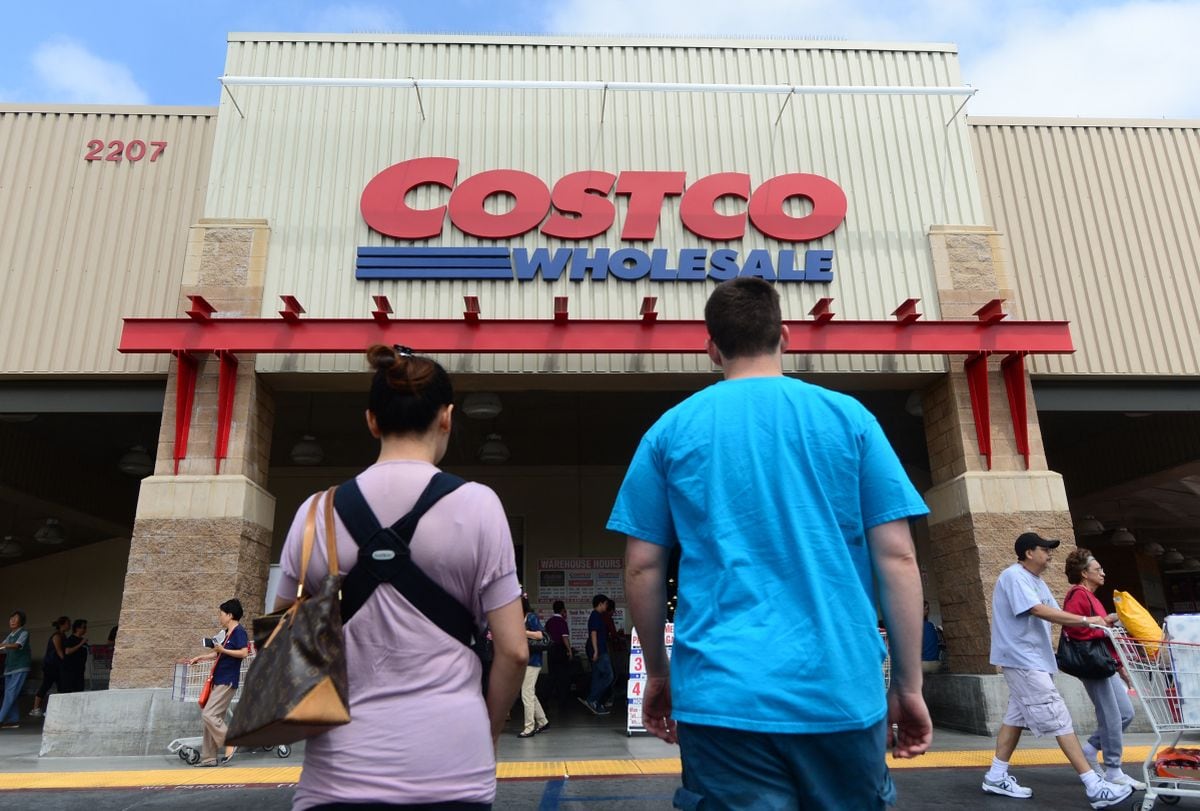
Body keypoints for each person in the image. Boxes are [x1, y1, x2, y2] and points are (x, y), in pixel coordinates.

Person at [608, 277, 933, 809]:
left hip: (720, 693)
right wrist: (907, 684)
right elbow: (898, 557)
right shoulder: (849, 419)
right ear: (785, 334)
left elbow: (642, 567)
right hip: (840, 689)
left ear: (711, 346)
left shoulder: (670, 431)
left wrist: (661, 673)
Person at [274, 345, 526, 810]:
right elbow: (513, 650)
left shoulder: (315, 513)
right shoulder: (479, 505)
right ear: (447, 417)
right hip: (453, 770)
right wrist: (487, 730)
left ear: (371, 421)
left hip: (337, 775)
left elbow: (284, 635)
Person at [982, 532, 1132, 808]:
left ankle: (996, 775)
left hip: (1033, 660)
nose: (1050, 554)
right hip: (1023, 660)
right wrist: (1088, 620)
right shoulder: (1013, 577)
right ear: (1029, 553)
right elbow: (1038, 610)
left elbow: (1059, 613)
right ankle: (1094, 785)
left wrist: (1103, 620)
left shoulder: (1035, 581)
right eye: (1045, 549)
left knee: (1015, 718)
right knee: (1059, 717)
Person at [1062, 549, 1145, 791]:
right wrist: (1105, 623)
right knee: (1111, 715)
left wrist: (1120, 666)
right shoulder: (1078, 595)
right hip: (1092, 665)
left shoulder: (1092, 598)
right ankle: (1113, 769)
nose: (1103, 573)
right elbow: (1074, 629)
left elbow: (1102, 637)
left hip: (1104, 663)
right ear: (1084, 573)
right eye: (1098, 569)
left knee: (1125, 714)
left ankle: (1090, 750)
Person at [188, 599, 248, 767]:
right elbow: (219, 654)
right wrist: (201, 657)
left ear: (230, 615)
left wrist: (222, 650)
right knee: (211, 719)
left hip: (227, 680)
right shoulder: (227, 633)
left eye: (221, 614)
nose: (219, 617)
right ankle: (209, 758)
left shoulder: (239, 632)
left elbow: (243, 653)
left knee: (209, 714)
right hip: (218, 678)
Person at [518, 595, 550, 738]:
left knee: (526, 693)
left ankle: (529, 727)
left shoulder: (530, 617)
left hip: (533, 662)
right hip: (522, 662)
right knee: (529, 693)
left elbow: (539, 635)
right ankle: (543, 721)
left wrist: (523, 632)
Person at [31, 616, 69, 717]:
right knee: (46, 685)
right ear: (62, 624)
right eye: (67, 623)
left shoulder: (63, 635)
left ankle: (58, 708)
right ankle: (35, 708)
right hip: (51, 665)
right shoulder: (56, 636)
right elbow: (59, 651)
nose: (69, 625)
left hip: (57, 665)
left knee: (61, 686)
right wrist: (65, 661)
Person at [580, 594, 612, 716]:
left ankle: (594, 702)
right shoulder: (595, 616)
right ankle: (592, 699)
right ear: (600, 604)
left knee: (597, 676)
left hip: (598, 649)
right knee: (609, 675)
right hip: (599, 650)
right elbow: (593, 633)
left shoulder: (597, 616)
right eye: (605, 603)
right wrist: (596, 650)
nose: (606, 606)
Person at [0, 611, 31, 729]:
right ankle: (13, 720)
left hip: (20, 666)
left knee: (10, 693)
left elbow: (17, 645)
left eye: (15, 619)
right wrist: (3, 646)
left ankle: (0, 718)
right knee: (11, 694)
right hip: (10, 667)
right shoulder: (10, 635)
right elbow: (3, 647)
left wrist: (4, 645)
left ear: (21, 621)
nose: (12, 621)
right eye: (11, 618)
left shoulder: (24, 632)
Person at [544, 600, 573, 712]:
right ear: (562, 610)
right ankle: (563, 702)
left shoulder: (549, 622)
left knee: (552, 676)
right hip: (560, 650)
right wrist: (569, 650)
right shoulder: (562, 622)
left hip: (551, 650)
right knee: (563, 677)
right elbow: (564, 638)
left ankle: (545, 699)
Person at [60, 618, 89, 694]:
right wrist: (80, 644)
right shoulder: (71, 639)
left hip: (80, 669)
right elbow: (67, 651)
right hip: (70, 670)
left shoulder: (83, 640)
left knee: (79, 690)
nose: (85, 630)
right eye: (84, 627)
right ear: (77, 628)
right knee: (69, 691)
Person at [922, 602, 942, 675]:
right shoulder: (931, 625)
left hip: (922, 664)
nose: (927, 611)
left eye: (927, 609)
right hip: (935, 664)